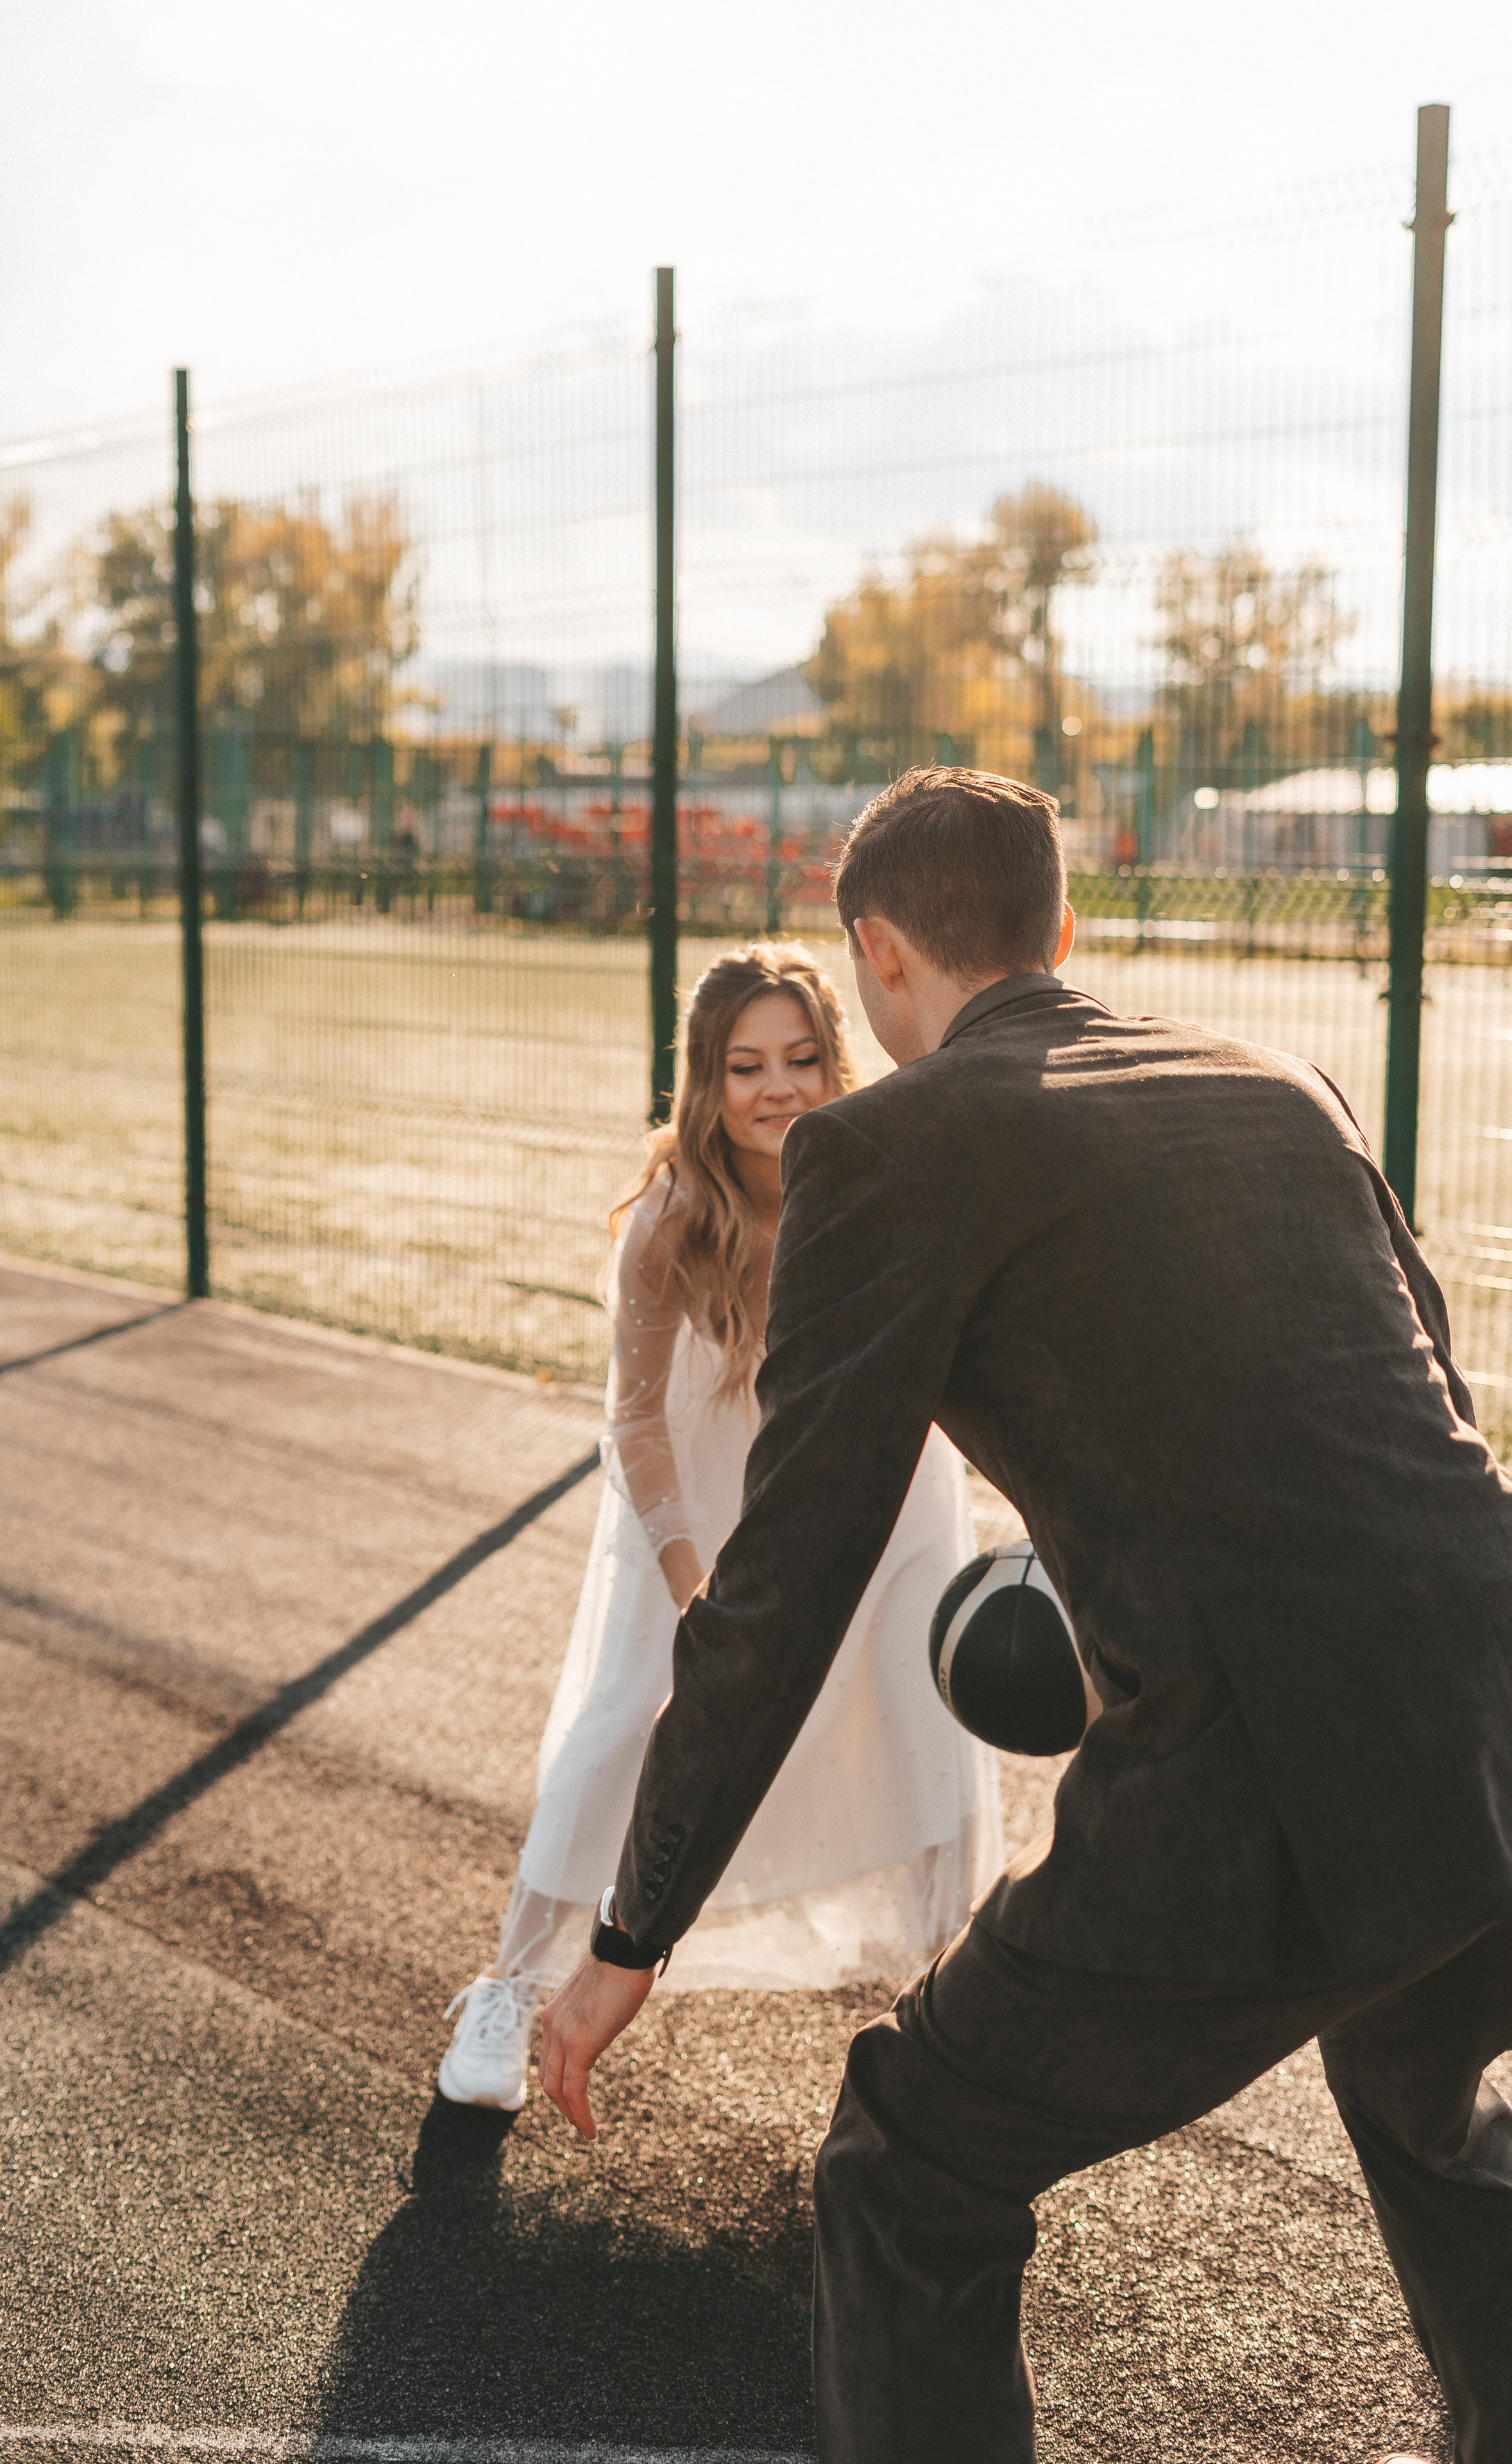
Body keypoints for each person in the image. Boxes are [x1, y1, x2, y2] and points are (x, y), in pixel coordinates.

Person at [539, 769, 1512, 2464]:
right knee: (1420, 2103)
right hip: (1497, 1708)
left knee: (913, 2157)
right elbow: (1418, 1412)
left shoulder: (886, 1145)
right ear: (1064, 929)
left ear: (875, 955)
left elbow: (784, 1583)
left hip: (1272, 1775)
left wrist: (635, 1932)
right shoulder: (1284, 1084)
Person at [439, 939, 1001, 2111]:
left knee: (917, 1712)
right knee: (624, 1735)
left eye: (801, 1057)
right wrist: (696, 1583)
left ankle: (965, 2011)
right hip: (700, 1523)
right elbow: (634, 1421)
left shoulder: (878, 1181)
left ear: (835, 1060)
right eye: (746, 1066)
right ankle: (506, 1986)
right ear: (707, 1082)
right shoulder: (672, 1218)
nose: (779, 1088)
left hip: (872, 1498)